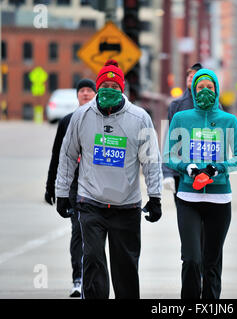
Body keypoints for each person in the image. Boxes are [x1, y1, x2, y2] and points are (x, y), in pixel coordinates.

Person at [55, 60, 163, 299]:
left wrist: (155, 197)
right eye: (105, 84)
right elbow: (67, 155)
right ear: (98, 86)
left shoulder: (139, 118)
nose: (110, 89)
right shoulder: (82, 116)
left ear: (122, 89)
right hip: (90, 201)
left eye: (115, 85)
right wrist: (61, 193)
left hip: (127, 205)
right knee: (92, 259)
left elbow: (151, 161)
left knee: (125, 268)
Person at [164, 69, 237, 299]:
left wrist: (218, 167)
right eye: (200, 87)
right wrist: (187, 167)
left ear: (217, 90)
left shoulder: (228, 121)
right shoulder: (182, 119)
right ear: (193, 90)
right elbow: (169, 155)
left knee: (211, 263)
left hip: (219, 199)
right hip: (188, 197)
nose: (205, 91)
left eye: (210, 87)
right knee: (191, 259)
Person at [44, 78, 96, 297]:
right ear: (77, 95)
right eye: (81, 90)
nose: (85, 94)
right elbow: (58, 154)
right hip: (74, 187)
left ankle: (92, 278)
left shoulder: (100, 121)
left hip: (95, 185)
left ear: (95, 94)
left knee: (93, 238)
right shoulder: (67, 121)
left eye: (89, 90)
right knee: (78, 233)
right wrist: (51, 187)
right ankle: (78, 278)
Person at [162, 62, 203, 203]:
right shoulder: (177, 105)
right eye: (189, 75)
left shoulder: (216, 107)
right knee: (185, 214)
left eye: (195, 75)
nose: (191, 77)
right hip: (181, 171)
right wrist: (167, 172)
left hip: (205, 170)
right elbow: (170, 138)